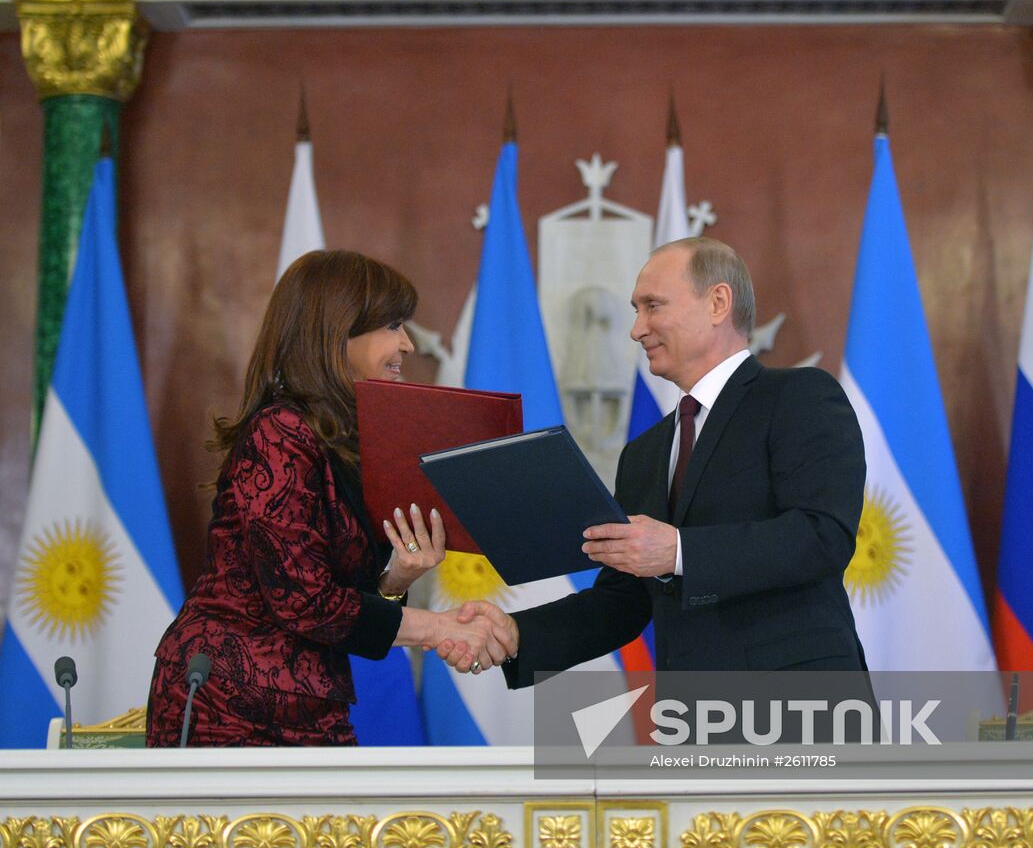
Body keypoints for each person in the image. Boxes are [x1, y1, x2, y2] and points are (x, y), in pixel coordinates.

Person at [445, 236, 868, 681]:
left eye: (653, 305)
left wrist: (679, 551)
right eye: (635, 310)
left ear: (718, 302)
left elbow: (823, 536)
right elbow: (623, 600)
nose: (637, 329)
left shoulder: (798, 397)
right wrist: (516, 633)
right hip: (693, 721)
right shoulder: (643, 454)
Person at [147, 250, 513, 746]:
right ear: (337, 332)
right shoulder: (279, 432)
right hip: (231, 699)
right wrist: (437, 628)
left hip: (309, 699)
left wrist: (395, 578)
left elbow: (332, 597)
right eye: (391, 325)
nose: (406, 343)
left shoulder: (339, 440)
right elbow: (302, 601)